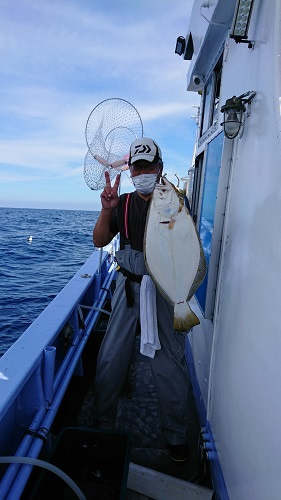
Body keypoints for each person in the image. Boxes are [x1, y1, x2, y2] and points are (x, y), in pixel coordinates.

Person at [93, 137, 190, 462]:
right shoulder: (120, 203)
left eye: (149, 167)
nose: (144, 173)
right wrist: (106, 211)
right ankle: (103, 425)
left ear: (160, 168)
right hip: (128, 287)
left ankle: (176, 436)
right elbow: (99, 241)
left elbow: (185, 249)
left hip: (164, 290)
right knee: (110, 358)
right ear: (132, 172)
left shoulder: (174, 201)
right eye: (138, 168)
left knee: (168, 365)